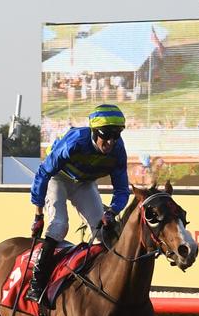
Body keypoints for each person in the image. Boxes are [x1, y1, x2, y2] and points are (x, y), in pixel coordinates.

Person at [26, 103, 129, 304]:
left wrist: (112, 211)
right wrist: (38, 215)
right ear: (93, 131)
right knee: (59, 225)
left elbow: (122, 190)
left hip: (84, 183)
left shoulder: (118, 150)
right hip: (57, 178)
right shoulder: (75, 141)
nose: (110, 142)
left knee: (102, 230)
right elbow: (43, 173)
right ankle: (36, 284)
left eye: (116, 135)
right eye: (105, 135)